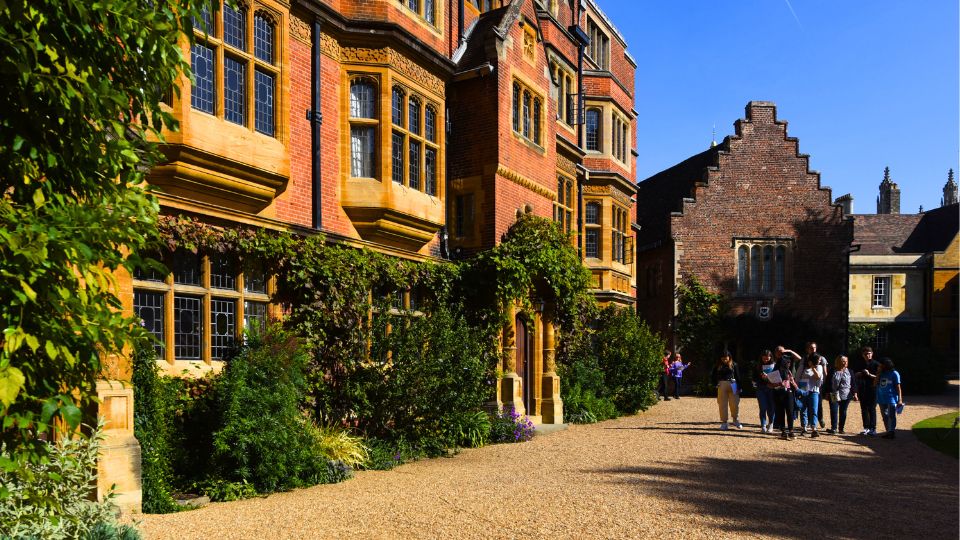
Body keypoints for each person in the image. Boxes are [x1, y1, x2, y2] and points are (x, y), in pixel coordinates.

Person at [769, 352, 800, 440]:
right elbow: (770, 384)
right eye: (788, 362)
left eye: (789, 362)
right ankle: (783, 431)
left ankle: (791, 430)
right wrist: (778, 384)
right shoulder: (775, 371)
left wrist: (792, 382)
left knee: (790, 411)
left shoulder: (789, 371)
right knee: (780, 412)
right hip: (778, 393)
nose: (789, 364)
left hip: (789, 392)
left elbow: (793, 383)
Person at [711, 351, 742, 430]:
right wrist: (715, 383)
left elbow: (738, 376)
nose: (724, 359)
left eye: (726, 357)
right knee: (722, 404)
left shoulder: (734, 365)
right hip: (722, 384)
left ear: (729, 357)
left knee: (735, 403)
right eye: (723, 357)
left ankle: (735, 420)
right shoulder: (718, 365)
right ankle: (724, 422)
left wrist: (739, 387)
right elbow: (712, 376)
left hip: (733, 383)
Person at [852, 346, 880, 436]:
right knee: (864, 409)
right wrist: (859, 373)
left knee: (872, 408)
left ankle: (873, 428)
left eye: (869, 353)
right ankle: (866, 427)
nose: (868, 355)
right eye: (866, 354)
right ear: (863, 355)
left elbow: (879, 377)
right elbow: (854, 375)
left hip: (873, 389)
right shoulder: (860, 364)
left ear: (872, 354)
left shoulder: (876, 364)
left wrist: (869, 374)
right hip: (862, 389)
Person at [797, 353, 824, 437]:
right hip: (803, 390)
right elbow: (797, 378)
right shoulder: (803, 367)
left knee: (813, 409)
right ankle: (804, 427)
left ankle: (814, 428)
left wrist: (812, 367)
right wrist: (797, 389)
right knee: (803, 409)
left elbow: (818, 377)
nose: (820, 361)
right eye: (819, 359)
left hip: (814, 391)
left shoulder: (819, 367)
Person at [876, 357, 903, 439]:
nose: (880, 366)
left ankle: (891, 432)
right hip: (881, 398)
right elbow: (875, 384)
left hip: (891, 398)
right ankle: (888, 431)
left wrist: (900, 400)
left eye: (881, 364)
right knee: (885, 416)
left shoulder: (894, 373)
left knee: (891, 416)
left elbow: (898, 387)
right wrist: (878, 374)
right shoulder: (881, 374)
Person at [805, 342, 830, 429]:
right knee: (807, 404)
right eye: (811, 348)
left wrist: (826, 384)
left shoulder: (821, 359)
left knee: (818, 403)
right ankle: (808, 422)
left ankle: (820, 418)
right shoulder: (805, 358)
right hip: (807, 385)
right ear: (808, 349)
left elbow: (825, 372)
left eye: (814, 348)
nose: (813, 349)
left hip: (819, 384)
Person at [827, 355, 852, 434]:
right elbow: (828, 382)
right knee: (834, 410)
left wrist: (855, 393)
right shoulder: (832, 371)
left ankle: (841, 428)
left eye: (846, 361)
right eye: (843, 361)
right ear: (838, 362)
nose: (845, 363)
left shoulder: (850, 371)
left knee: (843, 411)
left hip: (846, 394)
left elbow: (853, 383)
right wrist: (827, 392)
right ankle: (834, 428)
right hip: (834, 393)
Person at [753, 349, 777, 433]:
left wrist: (769, 379)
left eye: (768, 358)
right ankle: (763, 425)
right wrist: (761, 378)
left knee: (771, 407)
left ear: (771, 357)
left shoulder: (774, 365)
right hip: (761, 388)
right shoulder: (758, 366)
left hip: (771, 388)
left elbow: (777, 377)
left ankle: (771, 424)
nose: (766, 360)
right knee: (762, 407)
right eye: (764, 358)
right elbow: (754, 378)